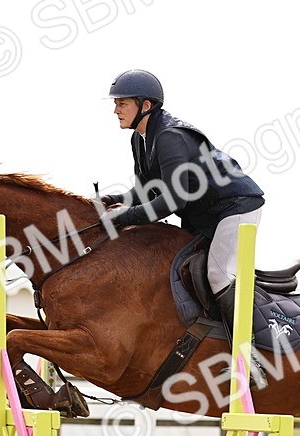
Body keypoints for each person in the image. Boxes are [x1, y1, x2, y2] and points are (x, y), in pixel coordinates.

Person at [99, 69, 265, 334]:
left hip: (234, 207)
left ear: (146, 105)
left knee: (217, 275)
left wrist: (124, 216)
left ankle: (252, 348)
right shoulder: (139, 139)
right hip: (205, 213)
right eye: (116, 104)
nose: (115, 110)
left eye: (122, 104)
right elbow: (146, 191)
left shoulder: (169, 137)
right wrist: (113, 200)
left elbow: (173, 201)